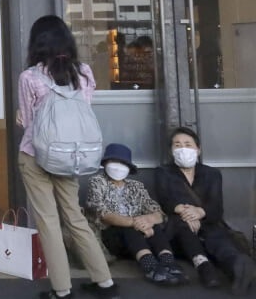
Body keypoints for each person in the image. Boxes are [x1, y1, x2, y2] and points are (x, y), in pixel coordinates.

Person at [16, 15, 118, 299]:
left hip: (36, 156)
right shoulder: (84, 72)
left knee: (48, 221)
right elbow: (81, 112)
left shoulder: (30, 76)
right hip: (71, 156)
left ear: (37, 43)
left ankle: (62, 290)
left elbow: (28, 122)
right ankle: (105, 282)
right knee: (75, 217)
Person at [155, 127, 255, 296]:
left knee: (221, 245)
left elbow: (216, 209)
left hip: (208, 225)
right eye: (177, 145)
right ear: (171, 150)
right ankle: (204, 268)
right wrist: (183, 210)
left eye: (188, 144)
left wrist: (200, 212)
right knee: (184, 230)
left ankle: (238, 268)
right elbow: (165, 201)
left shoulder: (212, 174)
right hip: (179, 227)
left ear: (198, 149)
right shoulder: (163, 172)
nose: (183, 149)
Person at [86, 143, 186, 285]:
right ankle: (150, 267)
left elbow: (157, 211)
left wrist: (149, 220)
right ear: (105, 163)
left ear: (128, 167)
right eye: (113, 161)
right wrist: (135, 222)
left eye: (122, 162)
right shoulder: (97, 182)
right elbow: (102, 213)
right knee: (129, 227)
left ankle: (169, 263)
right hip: (112, 236)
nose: (117, 166)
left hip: (142, 235)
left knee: (155, 226)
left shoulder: (136, 186)